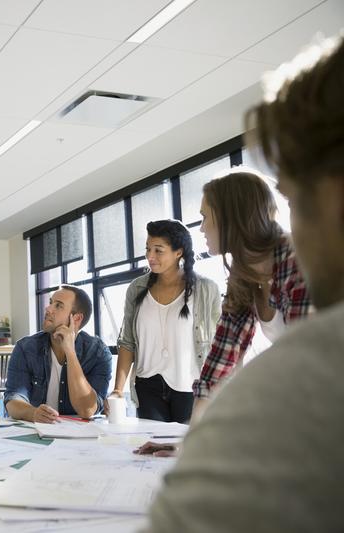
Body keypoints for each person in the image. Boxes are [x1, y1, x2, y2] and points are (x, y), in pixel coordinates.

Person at [146, 35, 344, 532]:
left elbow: (307, 372)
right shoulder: (238, 279)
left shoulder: (296, 265)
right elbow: (217, 368)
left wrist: (212, 445)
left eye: (205, 218)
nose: (201, 230)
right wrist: (195, 439)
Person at [190, 169, 312, 419]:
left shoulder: (297, 259)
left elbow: (307, 360)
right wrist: (190, 441)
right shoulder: (243, 274)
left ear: (229, 217)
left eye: (204, 217)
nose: (201, 228)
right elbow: (220, 360)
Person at [109, 220, 221, 423]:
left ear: (178, 252)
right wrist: (117, 390)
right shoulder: (136, 289)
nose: (150, 256)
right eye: (148, 249)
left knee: (188, 451)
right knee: (152, 450)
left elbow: (220, 344)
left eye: (158, 250)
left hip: (191, 388)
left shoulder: (206, 289)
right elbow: (127, 342)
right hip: (147, 387)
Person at [4, 285, 112, 422]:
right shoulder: (25, 348)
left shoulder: (99, 354)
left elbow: (87, 410)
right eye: (50, 303)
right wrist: (33, 413)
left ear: (77, 319)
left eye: (58, 306)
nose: (48, 309)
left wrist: (70, 352)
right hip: (34, 432)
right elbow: (13, 399)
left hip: (78, 436)